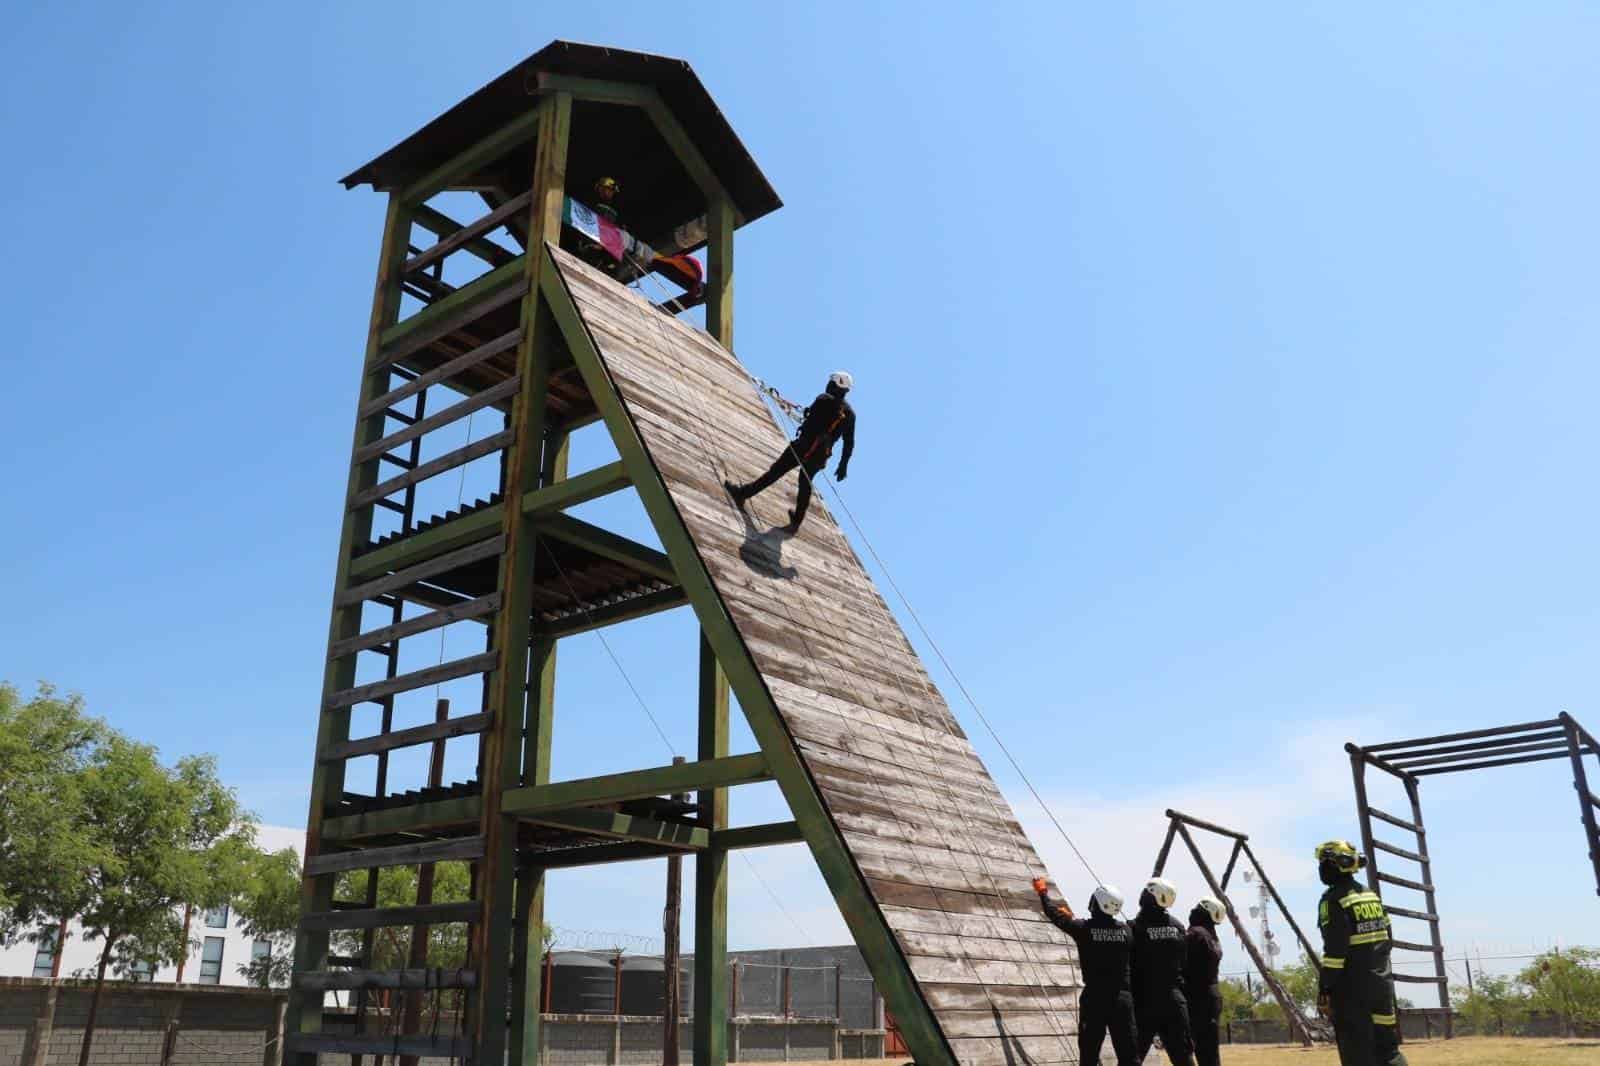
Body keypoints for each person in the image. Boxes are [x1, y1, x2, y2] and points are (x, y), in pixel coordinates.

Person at [725, 371, 855, 534]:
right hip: (819, 456)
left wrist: (808, 414)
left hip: (802, 446)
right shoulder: (850, 415)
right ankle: (797, 521)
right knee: (805, 482)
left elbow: (811, 421)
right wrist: (843, 466)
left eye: (831, 383)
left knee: (775, 471)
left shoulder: (823, 399)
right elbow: (849, 443)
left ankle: (743, 493)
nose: (828, 385)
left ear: (836, 385)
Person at [1315, 841, 1408, 1066]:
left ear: (1335, 865)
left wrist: (1325, 988)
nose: (1320, 869)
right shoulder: (1371, 896)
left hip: (1351, 992)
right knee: (1388, 1051)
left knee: (1357, 1053)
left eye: (1323, 863)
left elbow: (1336, 953)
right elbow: (1388, 939)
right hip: (1382, 987)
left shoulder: (1333, 900)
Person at [1032, 877, 1139, 1066]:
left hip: (1095, 998)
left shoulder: (1083, 929)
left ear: (1096, 903)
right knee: (1129, 1056)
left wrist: (1043, 892)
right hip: (1122, 1000)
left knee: (1089, 1054)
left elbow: (1054, 915)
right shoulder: (1127, 931)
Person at [1132, 876, 1196, 1066]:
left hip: (1145, 1002)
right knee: (1183, 1057)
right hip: (1174, 1001)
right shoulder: (1178, 926)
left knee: (1132, 1058)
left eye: (1147, 892)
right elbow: (1184, 965)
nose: (1143, 895)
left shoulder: (1135, 927)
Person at [1185, 897, 1226, 1066]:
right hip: (1212, 995)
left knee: (1200, 1049)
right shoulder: (1211, 936)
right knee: (1209, 1050)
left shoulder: (1196, 934)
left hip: (1198, 997)